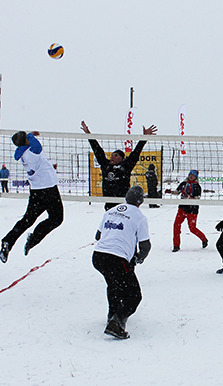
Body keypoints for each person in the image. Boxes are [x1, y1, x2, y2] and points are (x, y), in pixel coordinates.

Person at [92, 185, 151, 339]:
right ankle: (117, 322)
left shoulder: (111, 211)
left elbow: (98, 236)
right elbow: (145, 245)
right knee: (134, 295)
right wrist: (138, 258)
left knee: (113, 284)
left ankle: (112, 314)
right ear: (141, 201)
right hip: (116, 258)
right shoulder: (139, 216)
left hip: (98, 257)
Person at [0, 131, 64, 263]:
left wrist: (50, 168)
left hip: (37, 191)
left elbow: (38, 163)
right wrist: (30, 134)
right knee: (56, 219)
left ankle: (8, 241)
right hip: (49, 190)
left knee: (27, 220)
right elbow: (37, 147)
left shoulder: (23, 153)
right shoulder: (32, 151)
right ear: (26, 140)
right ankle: (33, 239)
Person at [80, 120, 157, 211]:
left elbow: (136, 152)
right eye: (112, 155)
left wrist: (144, 138)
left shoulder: (126, 166)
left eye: (116, 155)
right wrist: (89, 134)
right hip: (109, 203)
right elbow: (97, 150)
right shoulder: (106, 165)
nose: (112, 157)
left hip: (123, 203)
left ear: (121, 158)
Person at [171, 170, 208, 252]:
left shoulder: (197, 186)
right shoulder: (184, 183)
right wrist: (171, 192)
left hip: (192, 210)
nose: (191, 176)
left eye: (193, 175)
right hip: (182, 208)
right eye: (190, 175)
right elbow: (177, 192)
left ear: (196, 177)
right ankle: (176, 245)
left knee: (192, 229)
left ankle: (204, 239)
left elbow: (197, 198)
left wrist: (188, 197)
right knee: (176, 225)